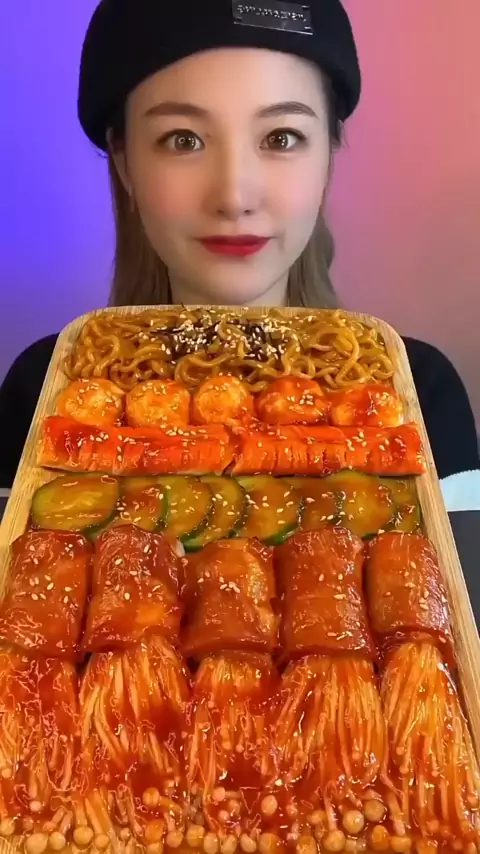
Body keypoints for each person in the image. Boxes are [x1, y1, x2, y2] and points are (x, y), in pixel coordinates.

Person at [0, 0, 478, 488]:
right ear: (125, 164)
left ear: (328, 156)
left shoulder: (419, 392)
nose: (234, 196)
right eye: (183, 140)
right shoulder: (42, 392)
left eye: (281, 138)